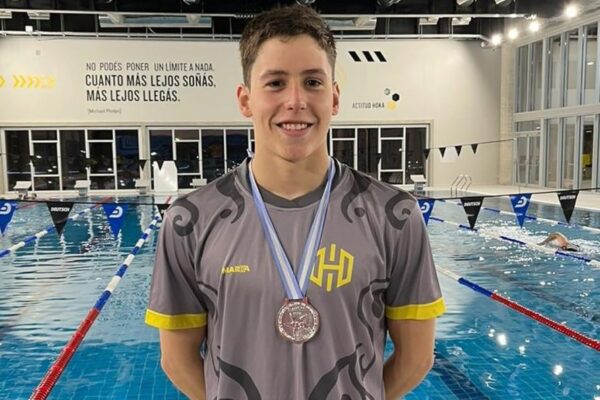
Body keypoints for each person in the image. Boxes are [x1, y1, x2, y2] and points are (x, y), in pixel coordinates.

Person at [145, 5, 445, 400]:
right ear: (245, 100)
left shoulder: (395, 216)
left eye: (313, 82)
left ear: (334, 97)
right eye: (275, 83)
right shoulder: (191, 220)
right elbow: (177, 359)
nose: (295, 100)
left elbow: (417, 357)